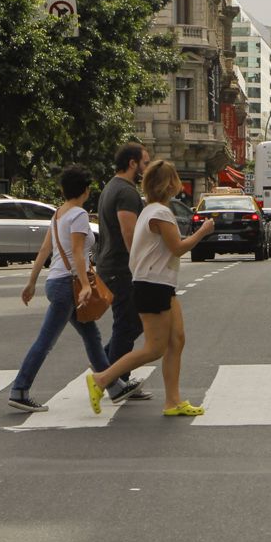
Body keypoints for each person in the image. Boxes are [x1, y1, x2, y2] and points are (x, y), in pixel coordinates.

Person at [87, 160, 216, 417]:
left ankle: (173, 401)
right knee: (154, 348)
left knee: (177, 340)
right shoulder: (159, 213)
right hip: (152, 285)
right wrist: (203, 231)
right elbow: (178, 248)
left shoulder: (151, 210)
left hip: (159, 284)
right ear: (170, 184)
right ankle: (102, 379)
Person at [8, 164, 128, 413]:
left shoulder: (58, 214)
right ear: (85, 190)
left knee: (91, 335)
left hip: (56, 281)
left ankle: (112, 386)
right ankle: (19, 389)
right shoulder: (79, 215)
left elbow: (45, 250)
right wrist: (85, 285)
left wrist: (31, 282)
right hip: (68, 285)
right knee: (46, 340)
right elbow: (76, 253)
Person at [95, 143, 154, 403]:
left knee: (131, 323)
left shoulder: (111, 187)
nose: (146, 168)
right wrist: (139, 266)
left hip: (111, 266)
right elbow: (128, 233)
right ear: (132, 163)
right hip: (122, 268)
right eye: (145, 163)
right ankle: (112, 380)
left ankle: (108, 372)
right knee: (128, 324)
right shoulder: (127, 192)